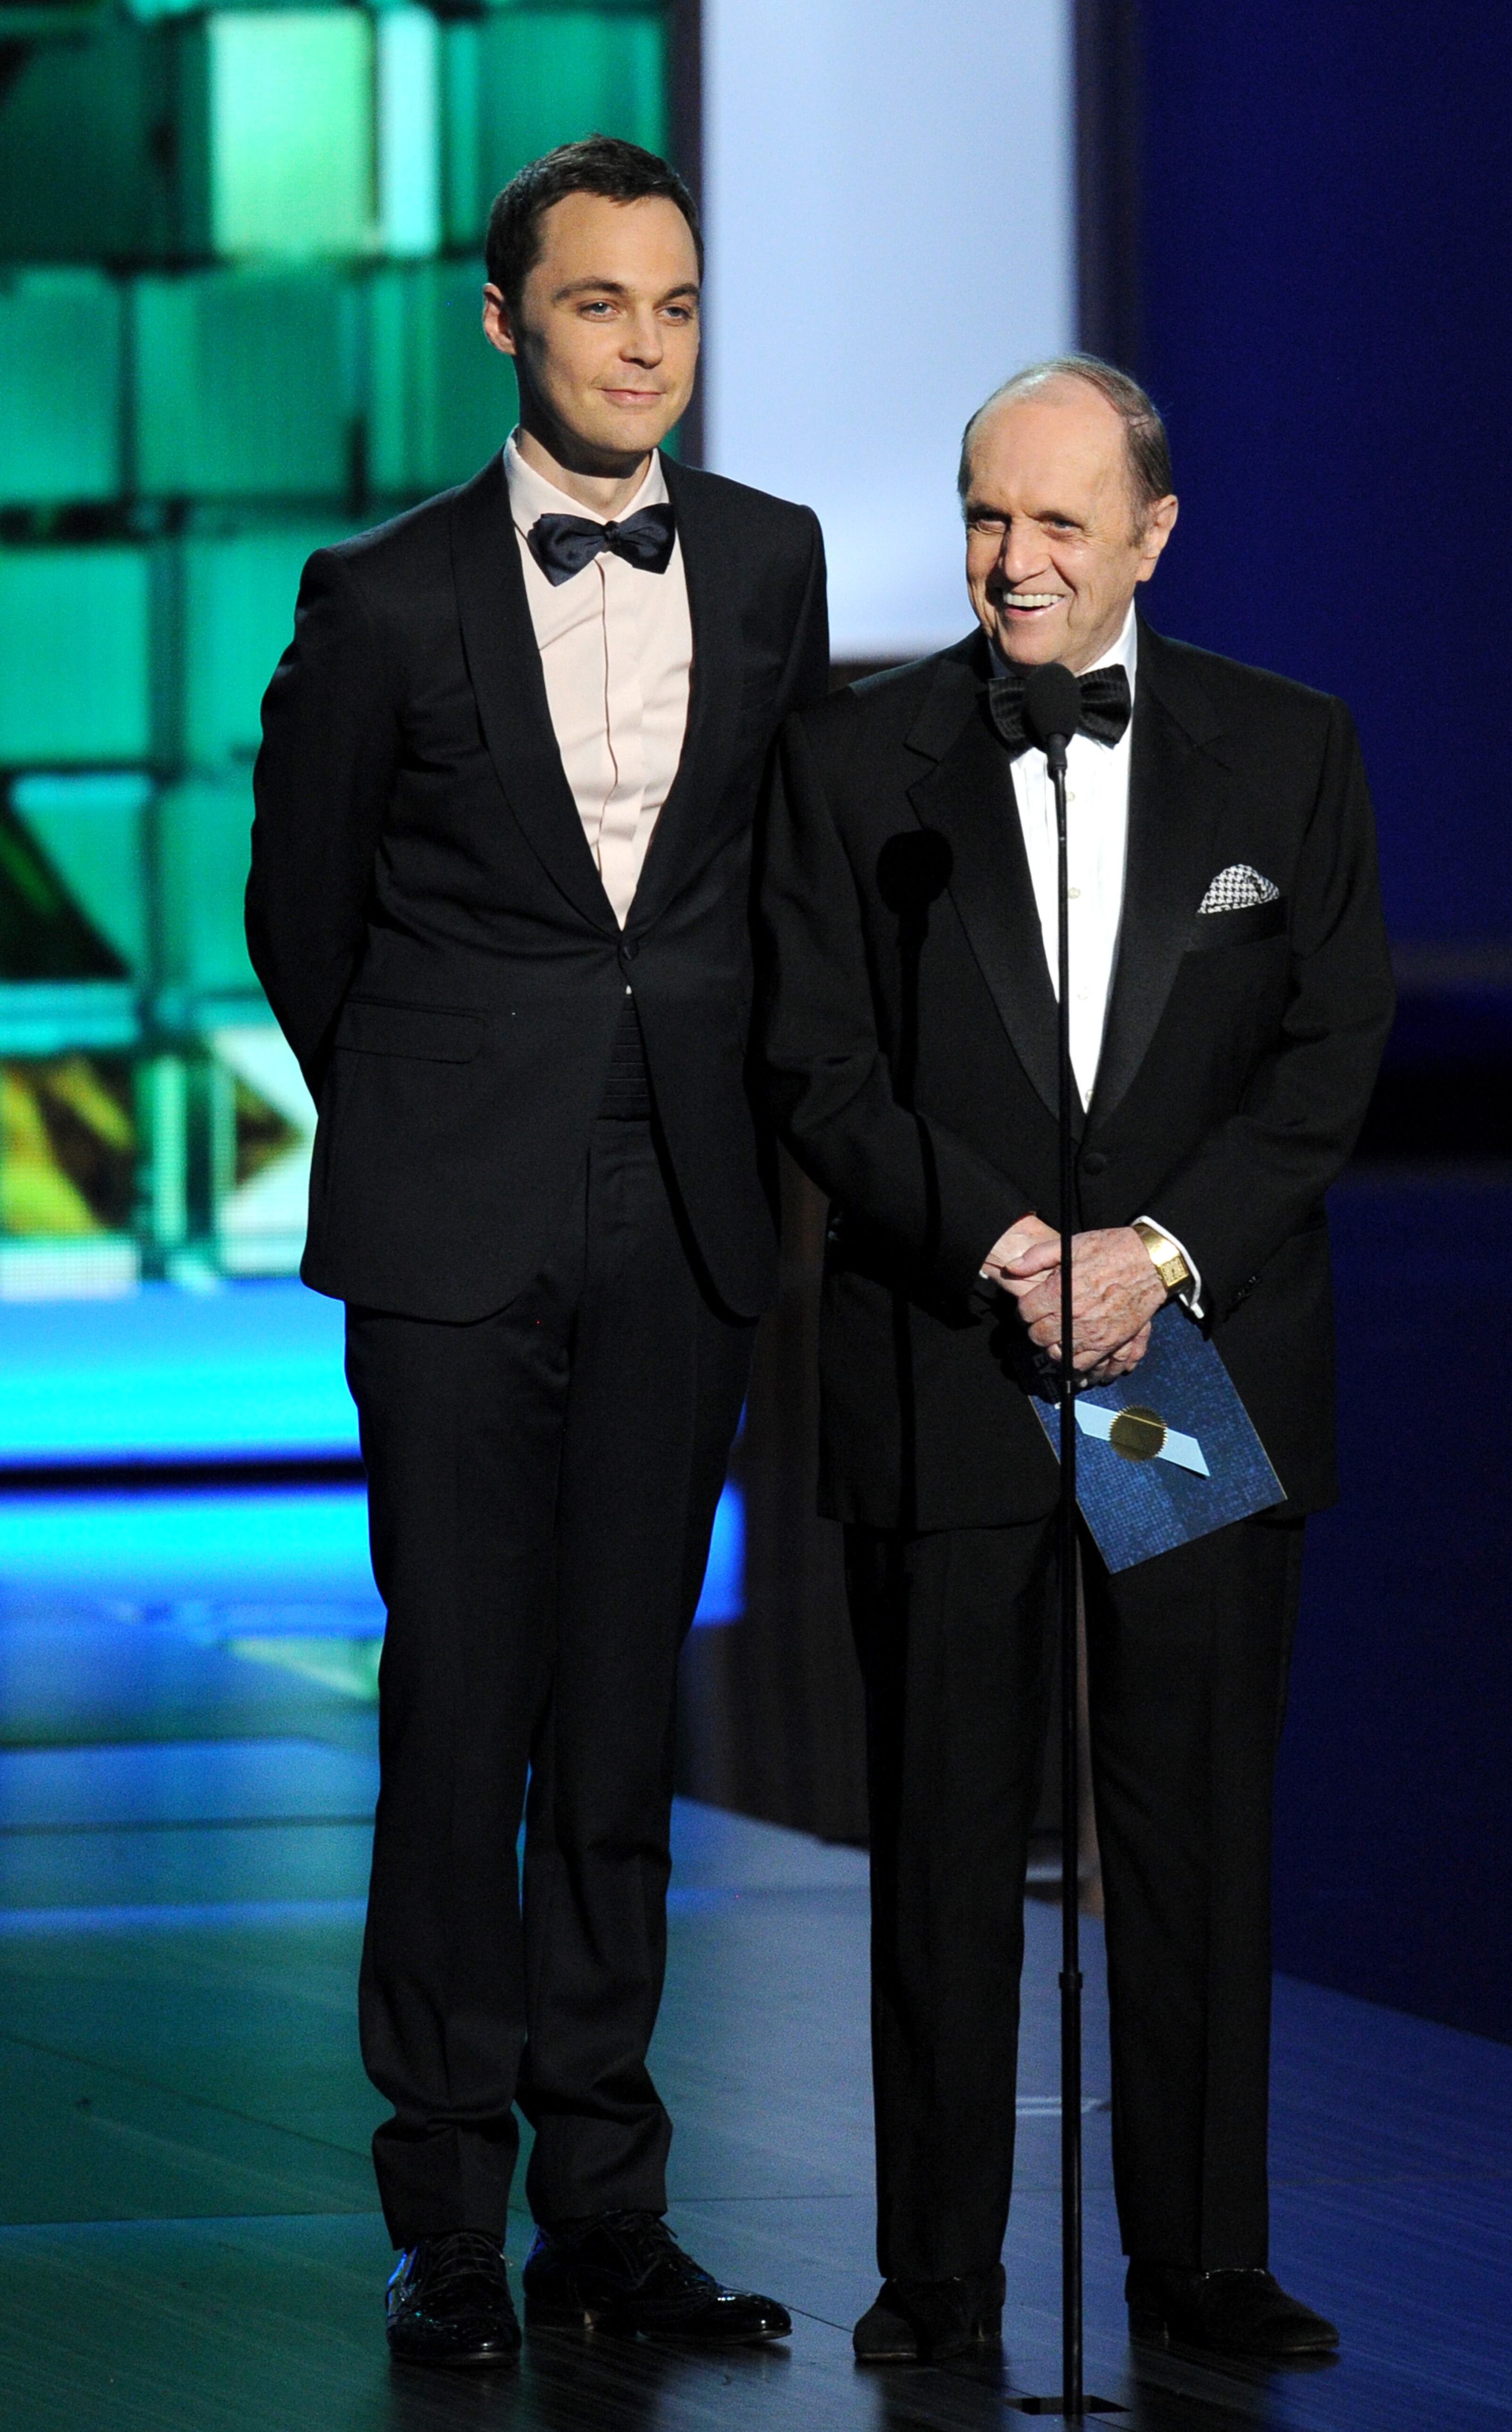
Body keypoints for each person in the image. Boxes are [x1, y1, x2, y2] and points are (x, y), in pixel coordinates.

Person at [248, 136, 826, 2366]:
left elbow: (778, 885)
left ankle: (608, 2210)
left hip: (683, 1204)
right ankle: (445, 2220)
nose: (645, 348)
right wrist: (434, 1112)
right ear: (507, 322)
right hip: (455, 1218)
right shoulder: (383, 595)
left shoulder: (766, 563)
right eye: (600, 304)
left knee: (614, 1726)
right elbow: (303, 918)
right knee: (460, 1713)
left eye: (676, 306)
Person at [759, 356, 1393, 2366]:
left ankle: (1202, 2261)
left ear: (1153, 535)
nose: (1013, 560)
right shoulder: (856, 766)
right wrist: (1007, 1244)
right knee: (945, 1824)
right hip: (960, 1345)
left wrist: (1156, 1256)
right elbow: (816, 1064)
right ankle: (938, 2274)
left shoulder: (1283, 751)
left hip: (1167, 1359)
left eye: (1056, 522)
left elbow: (1331, 1052)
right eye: (985, 517)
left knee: (1192, 1816)